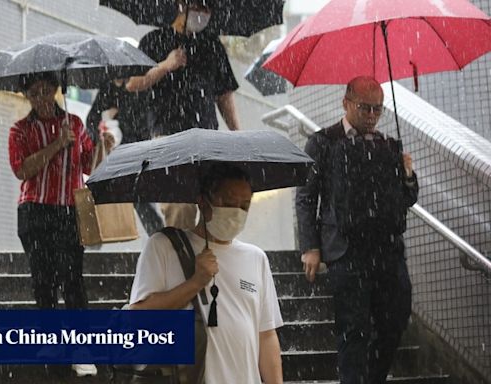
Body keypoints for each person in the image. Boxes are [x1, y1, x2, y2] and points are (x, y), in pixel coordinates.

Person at [296, 76, 419, 384]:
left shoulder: (388, 145)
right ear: (346, 103)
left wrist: (407, 175)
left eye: (378, 109)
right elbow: (307, 197)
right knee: (354, 329)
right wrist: (311, 247)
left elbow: (406, 199)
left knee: (395, 319)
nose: (372, 116)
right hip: (345, 251)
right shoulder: (323, 141)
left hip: (387, 251)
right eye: (365, 108)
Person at [129, 163, 283, 384]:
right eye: (228, 202)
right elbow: (137, 318)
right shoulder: (164, 246)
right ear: (203, 200)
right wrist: (195, 282)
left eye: (245, 205)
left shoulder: (256, 258)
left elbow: (266, 335)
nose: (237, 211)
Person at [8, 72, 99, 377]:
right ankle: (52, 348)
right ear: (26, 97)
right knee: (43, 281)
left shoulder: (74, 123)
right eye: (34, 94)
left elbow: (90, 167)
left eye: (46, 91)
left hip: (68, 212)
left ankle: (81, 348)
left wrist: (103, 148)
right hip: (34, 212)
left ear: (57, 90)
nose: (41, 99)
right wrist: (58, 144)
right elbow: (22, 170)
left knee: (73, 281)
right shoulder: (20, 130)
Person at [125, 0, 241, 231]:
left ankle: (209, 261)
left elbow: (224, 94)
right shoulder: (154, 40)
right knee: (179, 207)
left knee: (216, 208)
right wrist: (165, 66)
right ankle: (181, 260)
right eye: (200, 7)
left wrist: (237, 134)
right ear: (183, 6)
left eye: (208, 9)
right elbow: (133, 83)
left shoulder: (212, 45)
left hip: (208, 137)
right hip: (168, 137)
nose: (204, 14)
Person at [86, 78, 165, 236]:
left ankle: (159, 236)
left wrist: (119, 114)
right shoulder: (107, 89)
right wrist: (105, 121)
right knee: (133, 199)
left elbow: (144, 123)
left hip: (136, 153)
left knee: (141, 200)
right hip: (115, 156)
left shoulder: (139, 85)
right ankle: (158, 235)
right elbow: (91, 121)